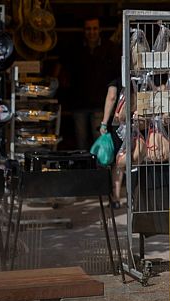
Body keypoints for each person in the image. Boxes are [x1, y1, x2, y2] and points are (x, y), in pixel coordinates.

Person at [68, 18, 119, 150]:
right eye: (88, 29)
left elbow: (114, 73)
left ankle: (97, 164)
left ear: (99, 30)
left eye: (95, 28)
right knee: (81, 143)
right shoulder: (76, 48)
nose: (92, 32)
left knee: (99, 143)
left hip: (99, 104)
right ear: (84, 31)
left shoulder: (109, 48)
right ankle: (84, 164)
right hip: (79, 103)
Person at [99, 79, 122, 209]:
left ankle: (116, 197)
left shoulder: (115, 78)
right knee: (135, 159)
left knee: (118, 161)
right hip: (138, 121)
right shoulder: (137, 74)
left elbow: (112, 97)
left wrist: (104, 123)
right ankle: (134, 197)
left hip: (118, 123)